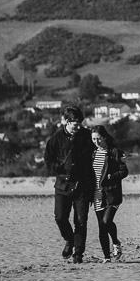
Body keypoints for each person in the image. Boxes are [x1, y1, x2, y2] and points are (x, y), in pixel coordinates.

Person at [44, 106, 94, 264]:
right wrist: (57, 167)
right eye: (75, 123)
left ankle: (78, 253)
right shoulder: (55, 139)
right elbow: (48, 159)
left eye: (80, 123)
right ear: (66, 121)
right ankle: (69, 240)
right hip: (62, 185)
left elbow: (100, 147)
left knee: (81, 220)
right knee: (60, 217)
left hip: (83, 185)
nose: (78, 126)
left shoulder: (87, 136)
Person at [90, 125, 129, 262]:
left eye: (98, 139)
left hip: (112, 194)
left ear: (104, 137)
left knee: (107, 221)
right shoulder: (93, 154)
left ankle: (116, 243)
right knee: (102, 226)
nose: (96, 142)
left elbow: (124, 171)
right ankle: (107, 257)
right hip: (97, 194)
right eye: (93, 139)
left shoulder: (115, 152)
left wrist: (111, 177)